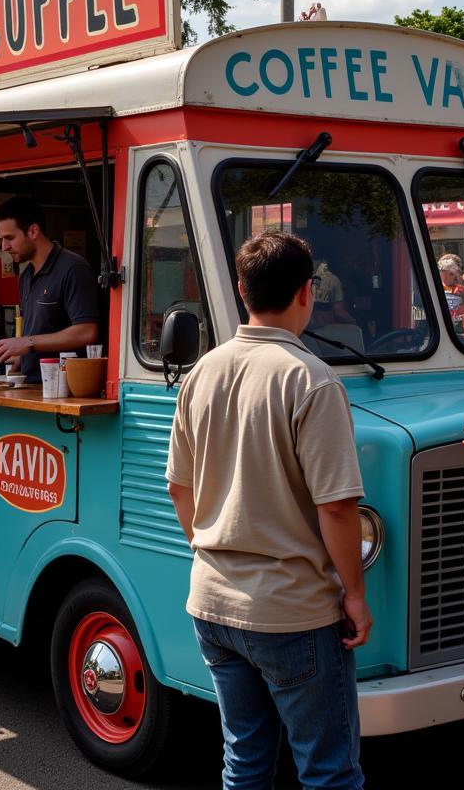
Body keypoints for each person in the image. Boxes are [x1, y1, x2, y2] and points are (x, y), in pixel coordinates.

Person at [166, 231, 371, 790]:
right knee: (329, 772)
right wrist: (354, 595)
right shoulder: (311, 379)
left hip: (212, 603)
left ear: (241, 290)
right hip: (292, 611)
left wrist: (211, 550)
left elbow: (179, 489)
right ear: (308, 293)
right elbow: (336, 507)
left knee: (246, 762)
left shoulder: (202, 372)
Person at [0, 196, 99, 382]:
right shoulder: (25, 276)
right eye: (2, 239)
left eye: (10, 238)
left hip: (66, 389)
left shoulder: (73, 268)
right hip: (30, 384)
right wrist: (21, 357)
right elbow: (39, 332)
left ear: (33, 231)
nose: (4, 247)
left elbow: (87, 332)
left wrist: (27, 343)